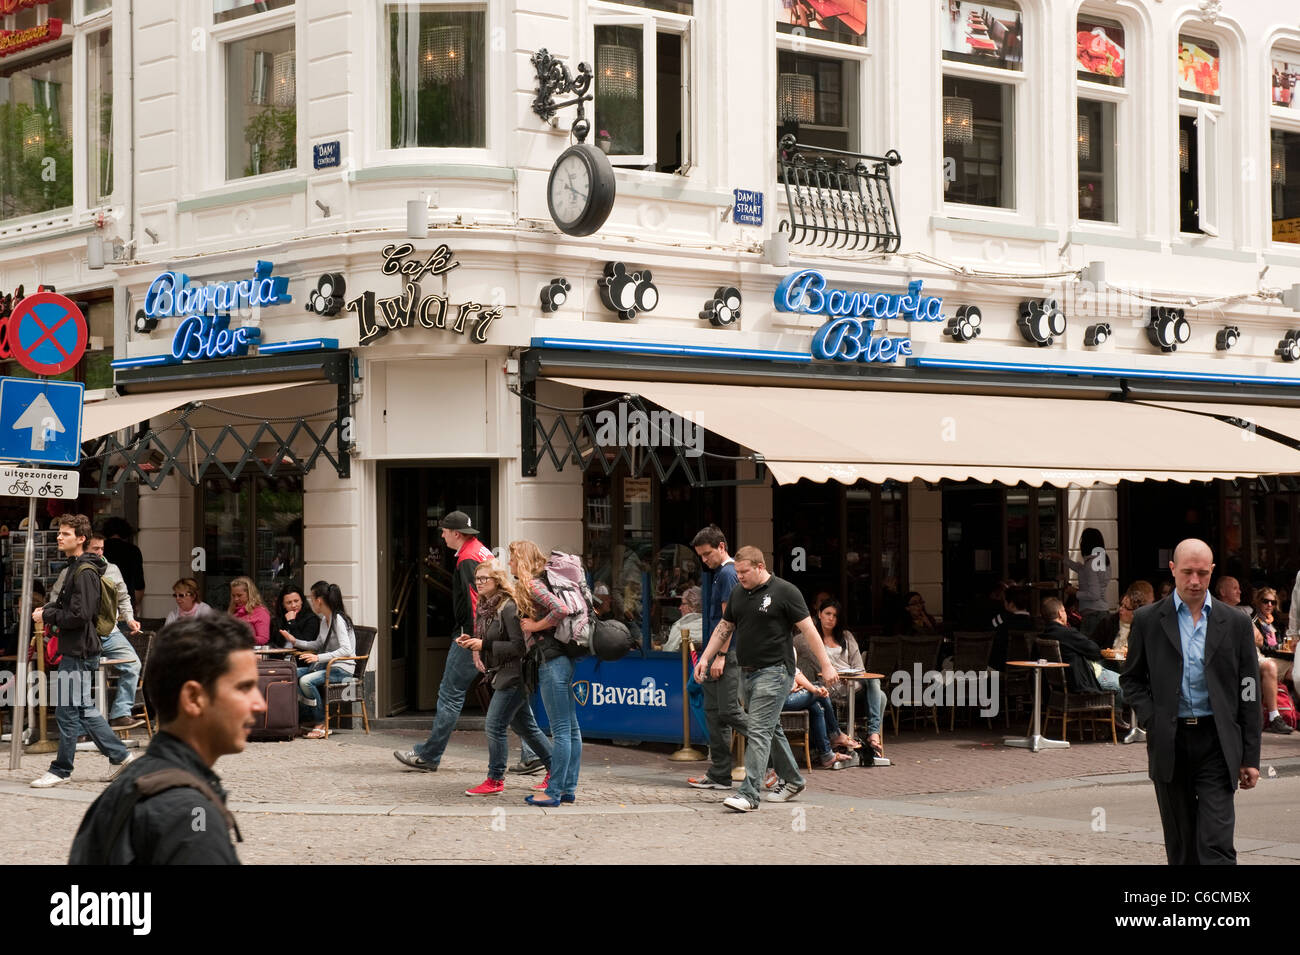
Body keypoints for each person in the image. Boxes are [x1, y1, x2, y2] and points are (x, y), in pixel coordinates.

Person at [68, 615, 264, 864]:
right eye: (244, 688)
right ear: (193, 698)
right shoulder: (192, 814)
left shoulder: (129, 785)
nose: (260, 704)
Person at [1120, 539, 1261, 866]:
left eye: (1202, 573)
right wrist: (1152, 717)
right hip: (1171, 741)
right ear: (1173, 570)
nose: (1194, 581)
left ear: (1212, 572)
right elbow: (1131, 678)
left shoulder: (1236, 622)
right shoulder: (1148, 620)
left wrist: (1250, 756)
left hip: (1217, 741)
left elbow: (1249, 689)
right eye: (1187, 572)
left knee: (1216, 843)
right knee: (1181, 846)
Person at [695, 546, 839, 812]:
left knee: (759, 730)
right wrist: (705, 657)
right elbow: (724, 627)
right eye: (737, 572)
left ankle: (749, 794)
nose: (739, 577)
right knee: (771, 729)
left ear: (760, 567)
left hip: (776, 671)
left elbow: (809, 630)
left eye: (744, 571)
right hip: (747, 671)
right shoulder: (738, 593)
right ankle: (794, 780)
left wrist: (826, 665)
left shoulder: (785, 591)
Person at [30, 514, 137, 789]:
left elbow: (80, 614)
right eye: (59, 533)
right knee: (80, 707)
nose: (59, 537)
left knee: (69, 709)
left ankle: (62, 769)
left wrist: (49, 615)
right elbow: (73, 610)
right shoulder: (78, 568)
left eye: (65, 534)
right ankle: (120, 756)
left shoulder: (84, 571)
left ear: (81, 539)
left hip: (78, 648)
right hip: (78, 647)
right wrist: (52, 611)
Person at [394, 510, 494, 772]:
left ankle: (429, 755)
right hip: (487, 633)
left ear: (456, 534)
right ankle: (534, 754)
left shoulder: (468, 560)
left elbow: (476, 600)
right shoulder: (480, 551)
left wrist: (475, 641)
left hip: (469, 635)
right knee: (506, 697)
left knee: (450, 695)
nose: (441, 534)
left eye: (444, 530)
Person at [455, 561, 553, 796]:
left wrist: (485, 644)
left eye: (484, 579)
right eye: (477, 579)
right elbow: (487, 637)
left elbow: (519, 647)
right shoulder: (485, 606)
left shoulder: (508, 607)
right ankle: (556, 769)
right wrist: (473, 643)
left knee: (495, 725)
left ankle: (495, 779)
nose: (479, 583)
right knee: (526, 727)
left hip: (514, 675)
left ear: (497, 581)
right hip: (501, 673)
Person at [511, 539, 580, 806]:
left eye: (513, 558)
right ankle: (567, 788)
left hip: (551, 662)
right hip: (563, 659)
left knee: (561, 730)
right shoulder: (542, 580)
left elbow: (560, 609)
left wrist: (535, 625)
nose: (510, 563)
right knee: (571, 728)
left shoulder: (532, 584)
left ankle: (553, 792)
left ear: (522, 560)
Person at [686, 524, 748, 791]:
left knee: (728, 712)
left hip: (726, 653)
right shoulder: (720, 574)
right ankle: (720, 773)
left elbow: (728, 620)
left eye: (707, 553)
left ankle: (777, 759)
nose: (704, 560)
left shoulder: (727, 575)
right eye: (700, 555)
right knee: (715, 714)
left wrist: (720, 656)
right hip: (716, 652)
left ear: (722, 547)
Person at [800, 598, 880, 756]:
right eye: (828, 614)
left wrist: (851, 676)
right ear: (819, 614)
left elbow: (859, 668)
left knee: (874, 681)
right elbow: (791, 651)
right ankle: (872, 738)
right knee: (881, 697)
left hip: (852, 685)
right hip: (829, 687)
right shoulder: (807, 639)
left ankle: (873, 733)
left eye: (835, 615)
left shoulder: (846, 636)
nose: (831, 618)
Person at [85, 533, 144, 730]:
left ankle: (120, 713)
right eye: (95, 549)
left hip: (111, 631)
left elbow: (124, 596)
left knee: (133, 664)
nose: (100, 552)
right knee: (83, 674)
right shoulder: (74, 569)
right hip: (85, 633)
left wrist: (130, 618)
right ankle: (85, 724)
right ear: (85, 549)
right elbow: (57, 596)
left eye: (102, 548)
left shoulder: (112, 569)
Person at [285, 581, 356, 739]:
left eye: (311, 597)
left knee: (306, 681)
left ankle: (320, 722)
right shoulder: (325, 620)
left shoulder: (338, 620)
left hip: (342, 669)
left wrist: (317, 657)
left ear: (319, 600)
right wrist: (295, 641)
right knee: (292, 674)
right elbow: (318, 644)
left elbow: (346, 650)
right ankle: (306, 717)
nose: (310, 601)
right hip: (327, 666)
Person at [1039, 596, 1125, 710]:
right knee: (1126, 684)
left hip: (1061, 687)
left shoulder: (1043, 637)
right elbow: (1094, 651)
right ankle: (1117, 720)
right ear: (1060, 613)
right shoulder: (1067, 634)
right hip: (1081, 683)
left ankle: (1112, 719)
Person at [782, 668, 854, 769]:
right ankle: (835, 734)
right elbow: (794, 674)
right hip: (783, 699)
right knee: (820, 691)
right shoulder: (782, 652)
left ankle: (827, 755)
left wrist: (804, 686)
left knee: (816, 707)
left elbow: (795, 673)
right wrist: (813, 690)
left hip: (788, 694)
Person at [1051, 528, 1110, 638]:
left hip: (1093, 615)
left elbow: (1094, 594)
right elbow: (1082, 570)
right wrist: (1061, 558)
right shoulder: (1101, 561)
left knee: (1087, 649)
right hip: (1102, 612)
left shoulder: (1091, 564)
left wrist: (1075, 592)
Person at [1249, 587, 1293, 735]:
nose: (1269, 605)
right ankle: (1275, 717)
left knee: (1296, 671)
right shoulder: (1253, 620)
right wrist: (1280, 648)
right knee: (1272, 666)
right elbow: (1263, 648)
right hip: (1262, 658)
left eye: (1273, 602)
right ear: (1257, 602)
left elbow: (1280, 644)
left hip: (1276, 658)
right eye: (1265, 601)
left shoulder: (1276, 622)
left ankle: (1294, 712)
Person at [1093, 581, 1155, 652]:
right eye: (1121, 605)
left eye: (1126, 608)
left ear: (1138, 612)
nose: (1121, 609)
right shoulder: (1108, 623)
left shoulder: (1147, 628)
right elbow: (1093, 647)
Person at [101, 517, 145, 613]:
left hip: (103, 600)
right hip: (125, 600)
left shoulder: (100, 548)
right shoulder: (133, 550)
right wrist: (134, 603)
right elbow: (139, 583)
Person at [227, 576, 270, 646]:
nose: (236, 599)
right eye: (233, 595)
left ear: (250, 594)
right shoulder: (232, 610)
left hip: (249, 653)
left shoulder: (260, 612)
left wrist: (241, 639)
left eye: (239, 595)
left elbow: (263, 639)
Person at [273, 581, 316, 649]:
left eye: (296, 601)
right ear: (283, 605)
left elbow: (304, 644)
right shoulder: (279, 619)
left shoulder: (311, 619)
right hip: (280, 657)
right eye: (289, 602)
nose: (293, 605)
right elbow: (273, 642)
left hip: (299, 657)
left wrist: (291, 622)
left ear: (302, 601)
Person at [662, 585, 703, 653]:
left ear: (693, 605)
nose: (680, 608)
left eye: (683, 604)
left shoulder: (679, 626)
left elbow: (668, 651)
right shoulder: (708, 626)